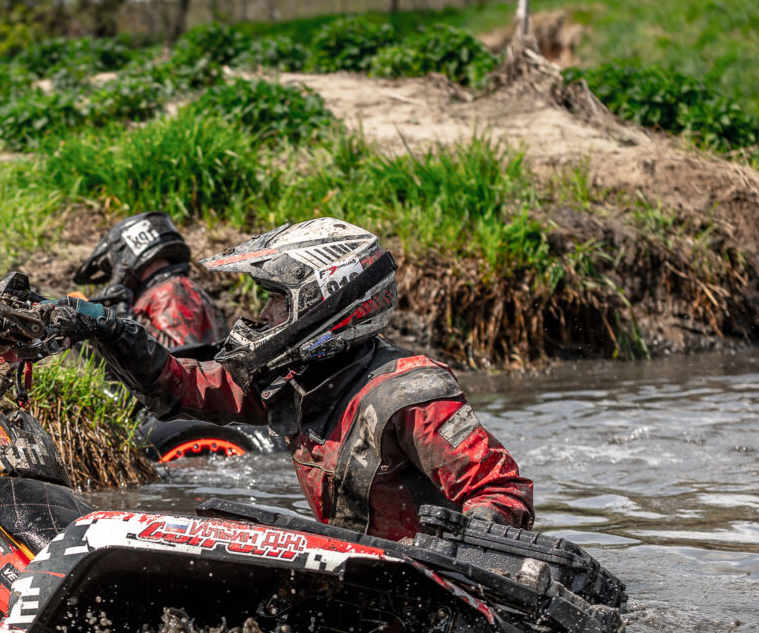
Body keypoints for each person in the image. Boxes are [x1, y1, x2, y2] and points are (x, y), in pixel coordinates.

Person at [46, 217, 534, 541]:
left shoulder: (410, 393)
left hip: (425, 591)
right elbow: (184, 387)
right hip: (363, 582)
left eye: (276, 300)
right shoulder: (297, 381)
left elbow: (500, 491)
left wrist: (463, 541)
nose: (263, 315)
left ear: (323, 301)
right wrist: (111, 330)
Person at [73, 212, 226, 352]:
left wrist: (125, 318)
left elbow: (182, 355)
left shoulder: (168, 291)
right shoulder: (174, 287)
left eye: (111, 266)